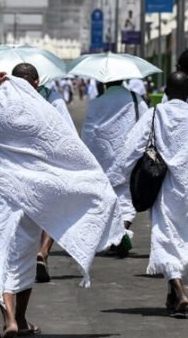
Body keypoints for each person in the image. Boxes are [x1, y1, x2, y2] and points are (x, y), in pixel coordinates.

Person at [0, 69, 125, 337]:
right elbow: (68, 146)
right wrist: (92, 181)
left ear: (8, 80)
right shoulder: (44, 111)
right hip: (33, 194)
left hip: (0, 190)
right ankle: (20, 318)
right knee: (23, 255)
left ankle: (10, 318)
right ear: (36, 83)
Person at [108, 71, 188, 317]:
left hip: (166, 189)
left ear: (166, 92)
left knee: (166, 237)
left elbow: (130, 148)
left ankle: (179, 291)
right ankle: (175, 295)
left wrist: (112, 179)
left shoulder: (155, 114)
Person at [15, 64, 77, 283]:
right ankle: (43, 251)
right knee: (51, 210)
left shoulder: (7, 98)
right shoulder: (52, 97)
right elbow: (68, 132)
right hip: (48, 163)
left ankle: (22, 260)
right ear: (37, 80)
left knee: (24, 213)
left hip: (19, 165)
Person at [81, 80, 148, 251]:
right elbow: (146, 123)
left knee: (107, 197)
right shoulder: (134, 98)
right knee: (126, 197)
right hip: (129, 155)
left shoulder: (96, 102)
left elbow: (88, 131)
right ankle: (123, 230)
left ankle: (116, 234)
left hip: (103, 156)